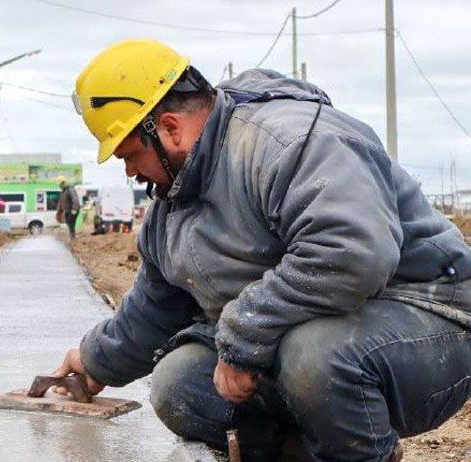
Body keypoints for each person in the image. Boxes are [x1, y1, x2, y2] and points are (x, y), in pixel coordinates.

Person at [53, 38, 471, 461]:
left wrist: (243, 334)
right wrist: (92, 363)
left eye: (129, 155)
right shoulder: (174, 204)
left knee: (313, 358)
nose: (129, 171)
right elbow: (156, 308)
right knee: (179, 383)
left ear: (170, 128)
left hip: (429, 322)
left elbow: (352, 255)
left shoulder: (288, 141)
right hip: (309, 334)